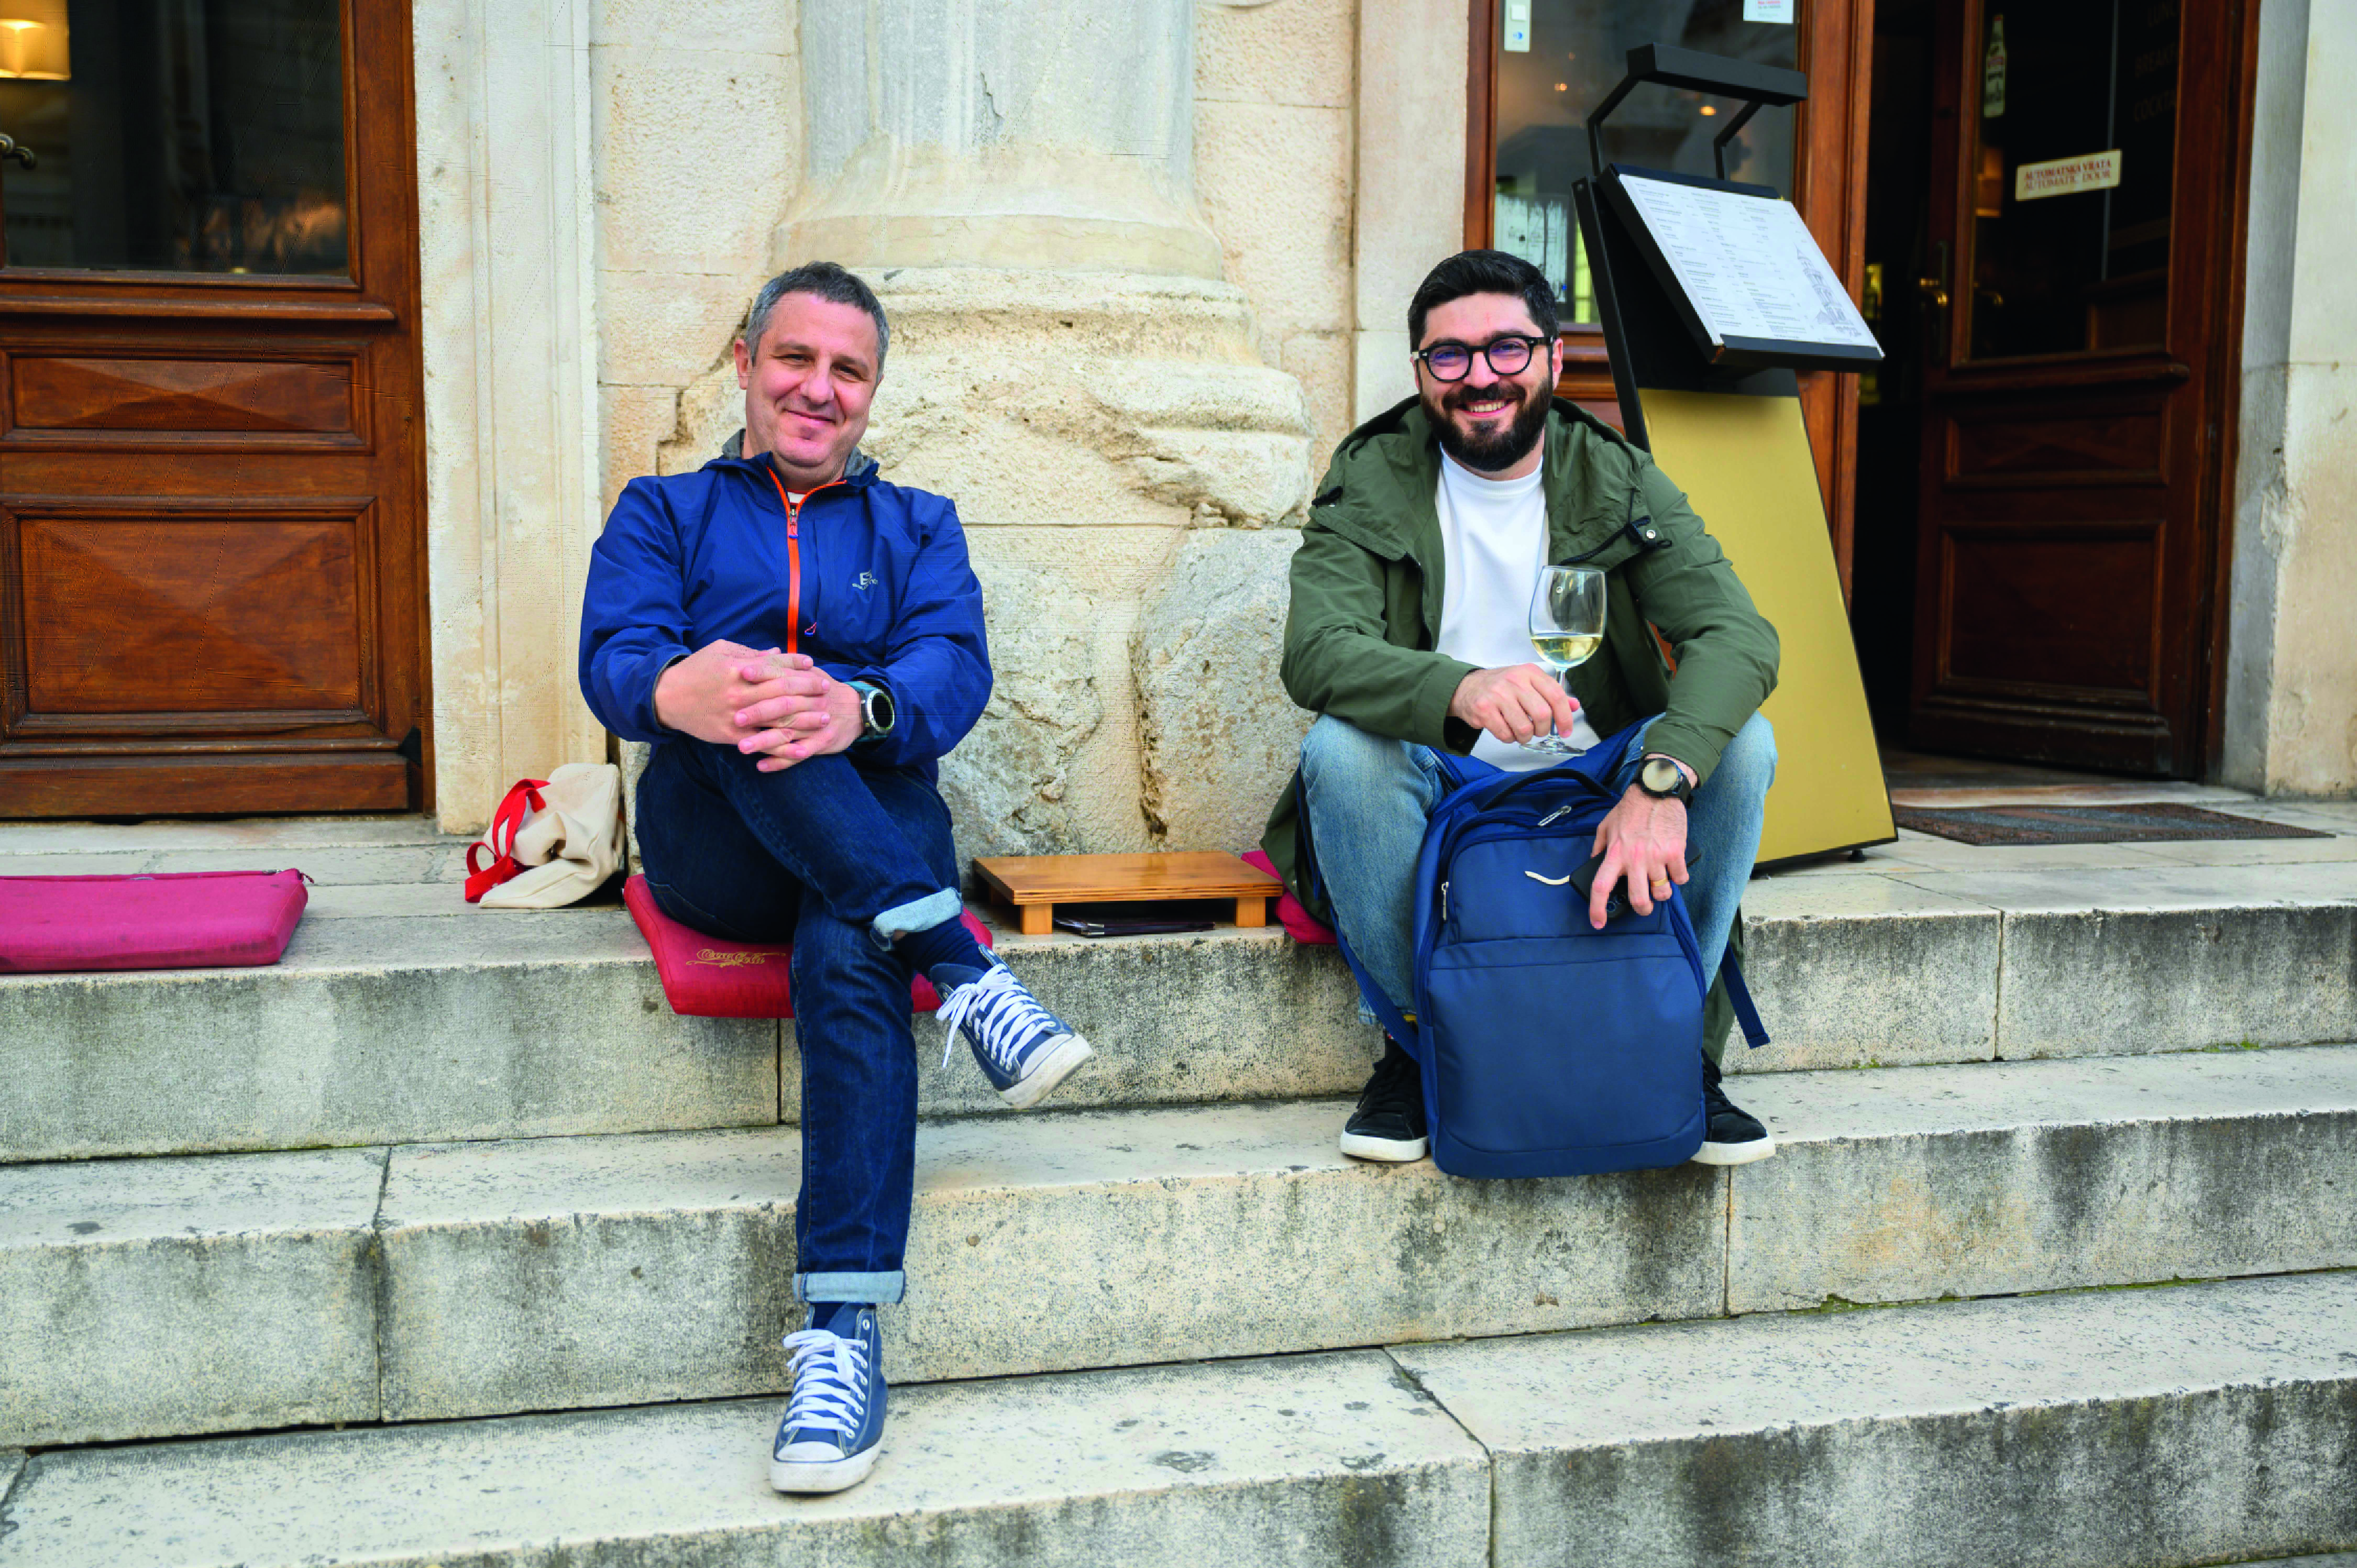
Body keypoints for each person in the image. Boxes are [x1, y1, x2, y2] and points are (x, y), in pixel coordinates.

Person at [580, 261, 1095, 1496]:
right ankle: (968, 975)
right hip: (714, 832)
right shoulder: (665, 509)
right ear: (749, 362)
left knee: (846, 937)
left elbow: (949, 676)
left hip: (872, 820)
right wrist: (683, 690)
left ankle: (842, 1336)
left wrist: (854, 702)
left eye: (848, 371)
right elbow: (616, 655)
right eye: (796, 359)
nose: (819, 389)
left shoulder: (921, 525)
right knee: (754, 699)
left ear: (872, 393)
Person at [1260, 249, 1783, 1168]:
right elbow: (1316, 651)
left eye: (1507, 349)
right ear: (1422, 370)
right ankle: (1418, 1045)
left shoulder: (1616, 477)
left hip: (1601, 768)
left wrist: (1661, 778)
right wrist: (1458, 688)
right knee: (1343, 752)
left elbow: (1738, 638)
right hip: (1446, 775)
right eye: (1449, 357)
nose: (1480, 378)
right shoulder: (1371, 474)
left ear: (1551, 359)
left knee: (1745, 747)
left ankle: (1676, 1043)